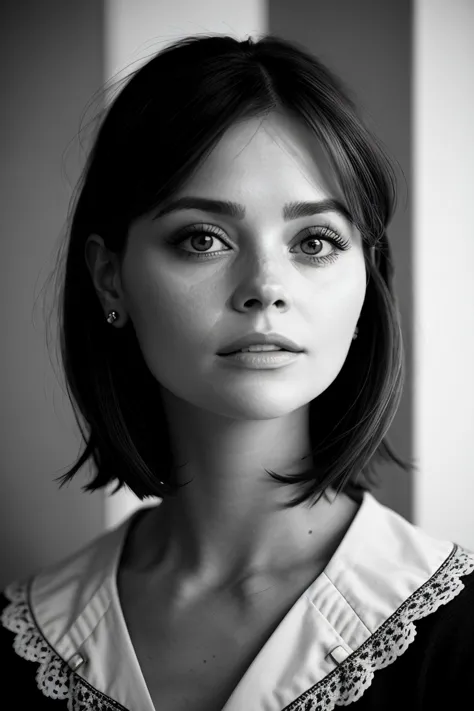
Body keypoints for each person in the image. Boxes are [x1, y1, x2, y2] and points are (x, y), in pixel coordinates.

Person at [1, 32, 473, 710]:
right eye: (203, 238)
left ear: (367, 281)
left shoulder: (457, 635)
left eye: (315, 241)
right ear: (110, 279)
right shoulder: (27, 630)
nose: (265, 286)